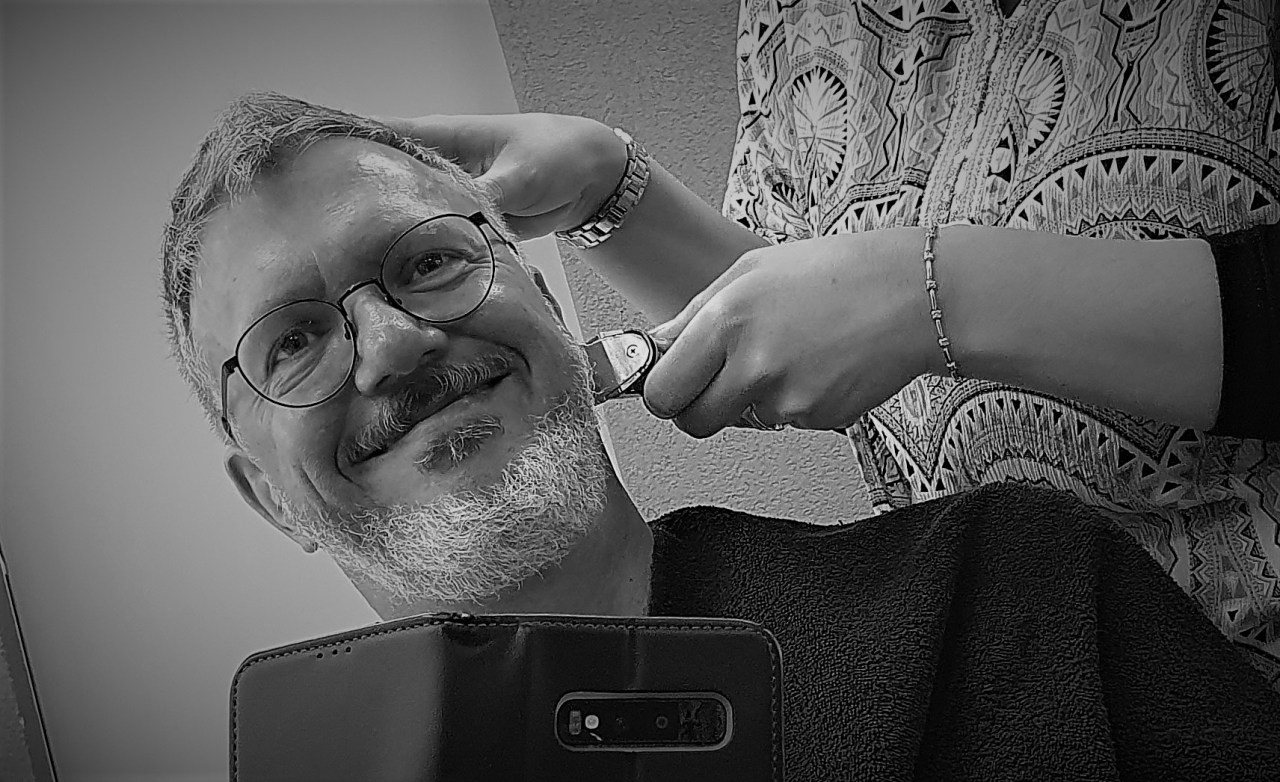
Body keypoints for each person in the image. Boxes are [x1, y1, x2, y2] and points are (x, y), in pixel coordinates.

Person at [162, 92, 1280, 780]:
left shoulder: (1016, 588)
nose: (392, 344)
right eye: (291, 341)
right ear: (267, 498)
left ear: (550, 308)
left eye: (429, 262)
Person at [385, 0, 1280, 688]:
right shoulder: (798, 19)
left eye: (429, 266)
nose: (391, 346)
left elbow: (882, 312)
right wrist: (608, 190)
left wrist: (932, 295)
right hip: (1045, 669)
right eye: (313, 330)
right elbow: (811, 317)